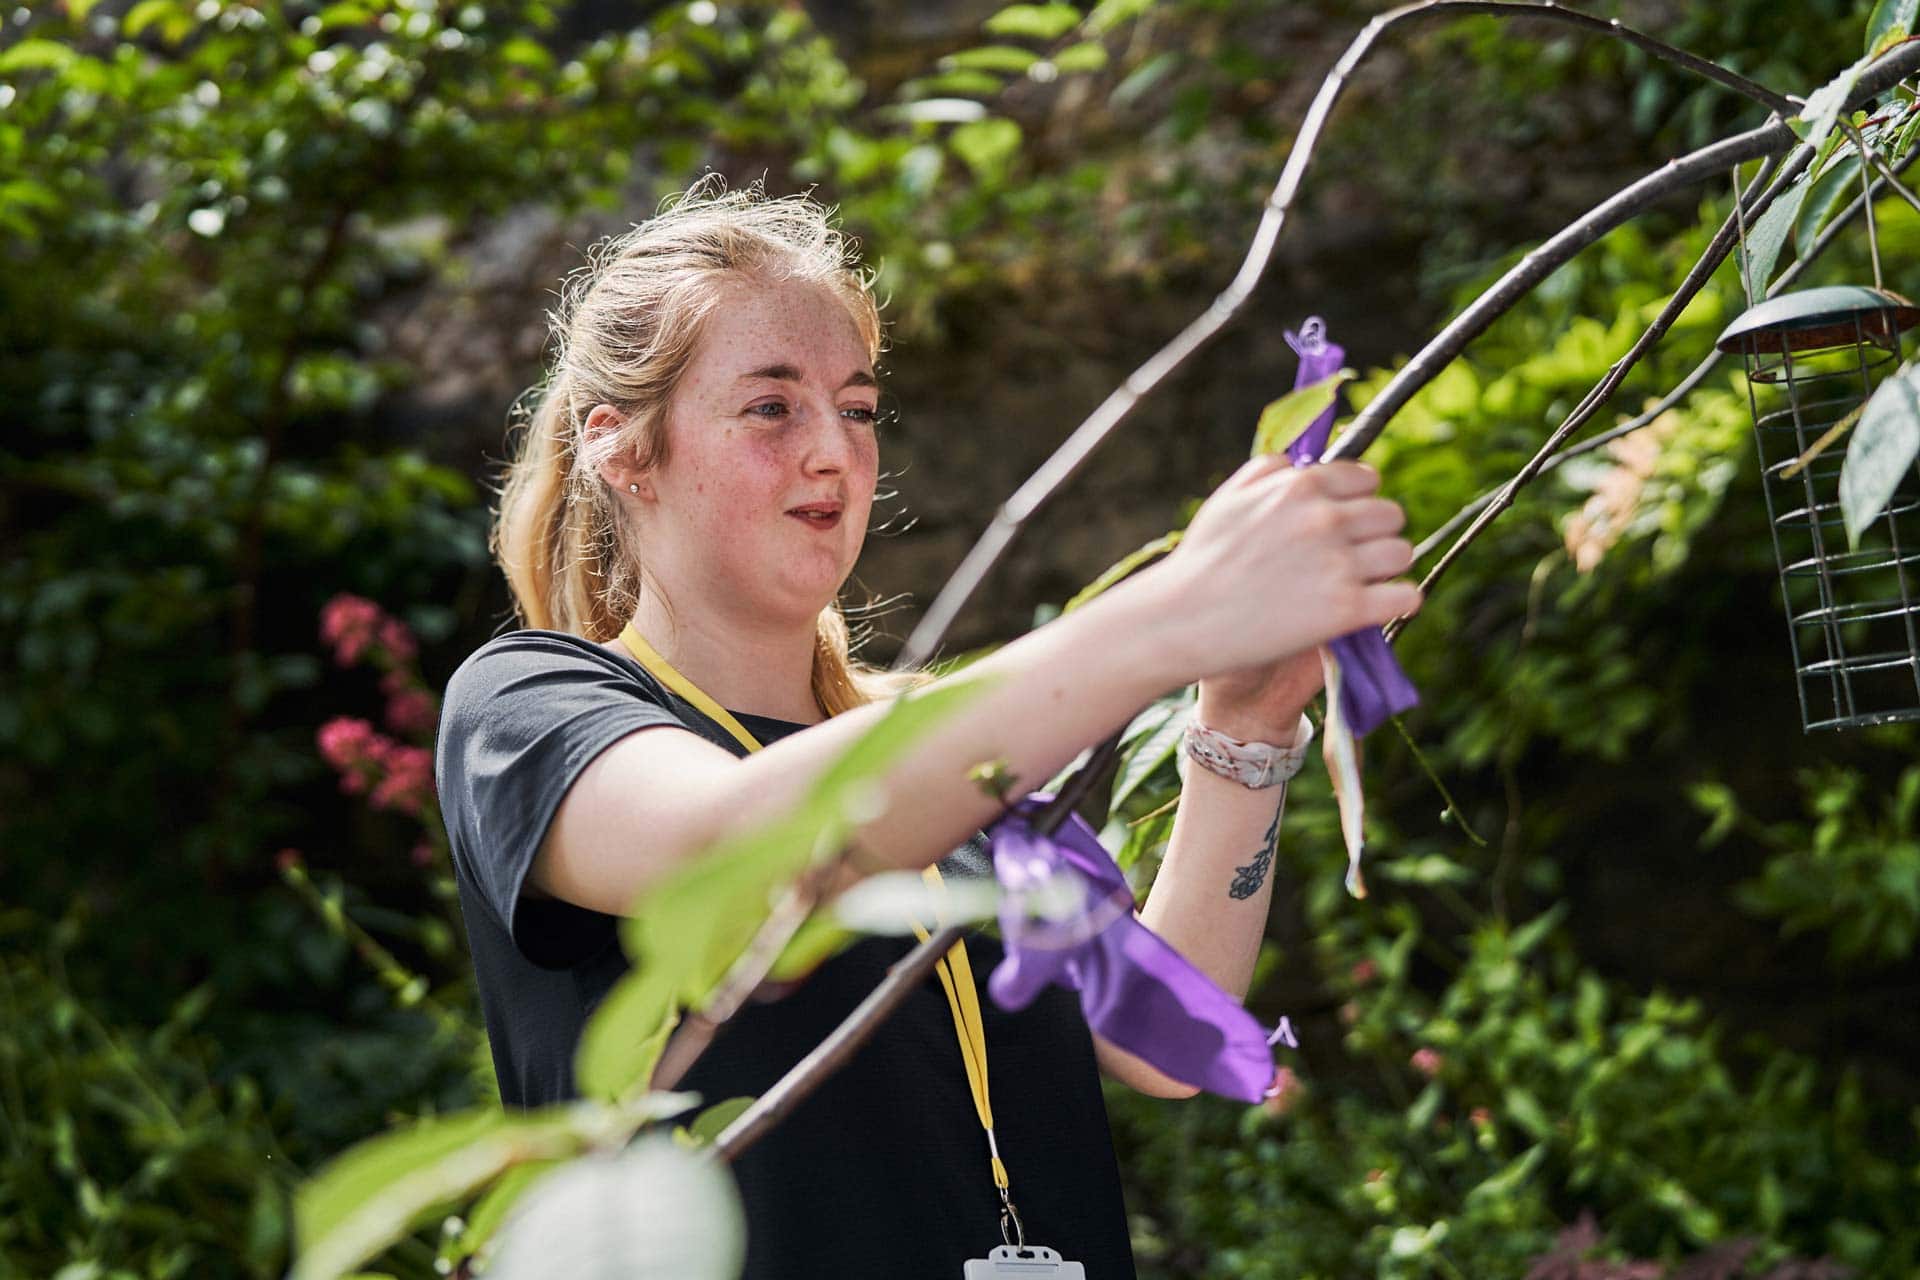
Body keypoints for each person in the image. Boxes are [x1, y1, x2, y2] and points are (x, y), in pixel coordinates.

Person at [434, 178, 1420, 1278]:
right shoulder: (527, 703)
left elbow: (1168, 1038)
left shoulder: (936, 752)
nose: (832, 452)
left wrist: (1245, 720)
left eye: (855, 408)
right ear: (622, 448)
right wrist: (1175, 612)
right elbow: (731, 845)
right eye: (772, 406)